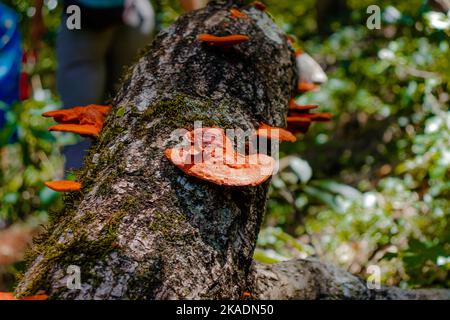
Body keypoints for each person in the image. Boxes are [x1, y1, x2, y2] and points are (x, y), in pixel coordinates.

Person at [32, 0, 203, 171]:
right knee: (126, 106)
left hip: (81, 18)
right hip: (130, 17)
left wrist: (37, 16)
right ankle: (122, 172)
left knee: (81, 121)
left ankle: (79, 179)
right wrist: (197, 18)